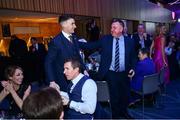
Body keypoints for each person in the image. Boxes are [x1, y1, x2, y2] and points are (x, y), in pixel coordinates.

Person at [79, 18, 137, 119]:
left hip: (124, 73)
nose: (111, 29)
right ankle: (115, 116)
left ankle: (124, 112)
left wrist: (133, 68)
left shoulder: (130, 41)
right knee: (114, 97)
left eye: (114, 27)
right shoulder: (106, 39)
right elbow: (90, 46)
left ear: (121, 29)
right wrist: (74, 41)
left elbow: (133, 57)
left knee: (124, 96)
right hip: (111, 73)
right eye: (111, 27)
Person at [45, 14, 86, 92]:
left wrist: (84, 69)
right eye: (72, 23)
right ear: (64, 24)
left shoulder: (74, 37)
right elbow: (48, 62)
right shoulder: (56, 42)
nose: (75, 26)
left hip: (76, 76)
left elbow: (77, 56)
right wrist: (52, 81)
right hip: (63, 79)